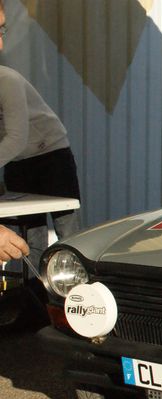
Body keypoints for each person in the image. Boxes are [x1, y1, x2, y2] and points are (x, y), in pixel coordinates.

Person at [0, 1, 81, 270]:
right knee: (29, 237)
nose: (1, 45)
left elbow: (16, 138)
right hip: (16, 161)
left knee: (68, 234)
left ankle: (70, 296)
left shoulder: (7, 79)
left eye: (2, 32)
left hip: (50, 155)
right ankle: (33, 299)